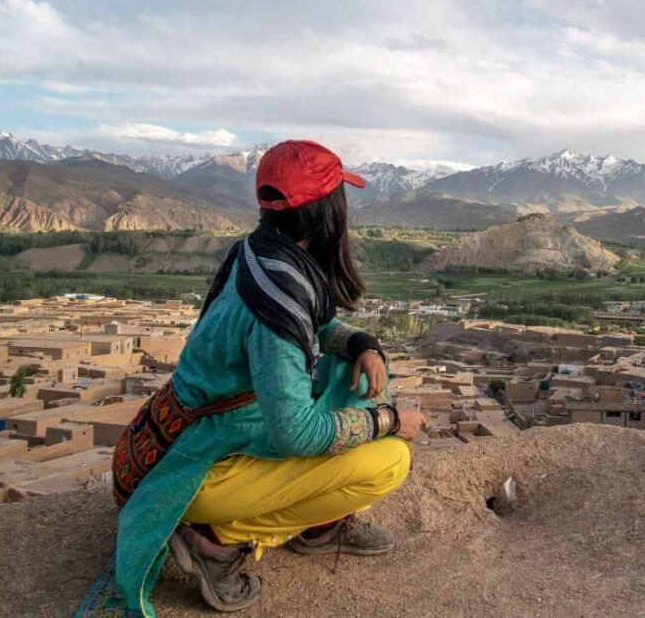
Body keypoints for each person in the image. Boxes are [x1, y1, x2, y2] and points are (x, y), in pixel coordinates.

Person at [99, 140, 427, 616]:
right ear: (325, 214)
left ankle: (317, 523)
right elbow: (296, 433)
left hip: (185, 437)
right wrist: (389, 421)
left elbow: (312, 329)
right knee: (391, 461)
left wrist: (359, 344)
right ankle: (214, 540)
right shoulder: (275, 309)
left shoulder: (258, 255)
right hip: (197, 472)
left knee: (351, 367)